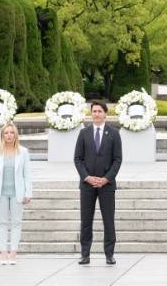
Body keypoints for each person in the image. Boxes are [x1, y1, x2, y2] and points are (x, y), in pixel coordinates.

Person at [74, 100, 122, 265]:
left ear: (105, 113)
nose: (96, 114)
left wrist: (106, 178)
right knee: (86, 220)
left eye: (99, 111)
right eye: (94, 111)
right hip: (87, 185)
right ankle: (85, 254)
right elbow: (78, 159)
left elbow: (117, 159)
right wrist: (87, 177)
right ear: (91, 113)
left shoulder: (114, 133)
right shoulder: (84, 133)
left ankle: (109, 254)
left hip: (107, 185)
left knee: (108, 220)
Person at [0, 122, 33, 265]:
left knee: (16, 223)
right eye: (6, 133)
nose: (9, 135)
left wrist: (28, 192)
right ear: (2, 135)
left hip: (17, 193)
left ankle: (13, 253)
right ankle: (3, 253)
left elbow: (27, 175)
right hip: (0, 193)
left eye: (11, 133)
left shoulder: (23, 152)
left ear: (16, 135)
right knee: (1, 223)